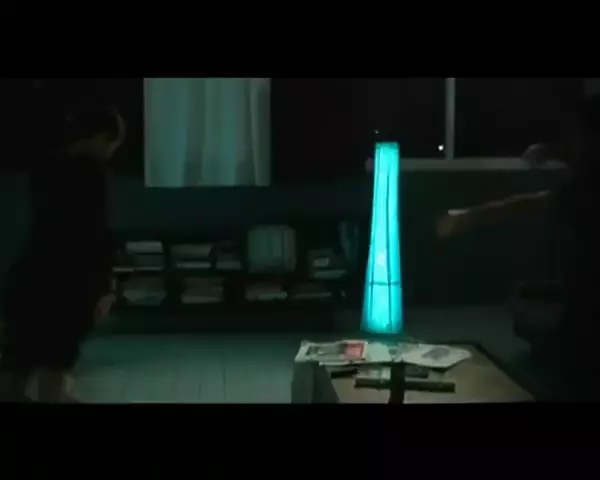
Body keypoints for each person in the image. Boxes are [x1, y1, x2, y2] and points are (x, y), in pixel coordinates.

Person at [436, 94, 600, 398]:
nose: (573, 144)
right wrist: (553, 151)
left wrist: (470, 217)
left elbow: (530, 204)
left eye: (577, 137)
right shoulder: (585, 178)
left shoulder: (586, 188)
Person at [0, 104, 126, 402]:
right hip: (68, 281)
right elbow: (94, 233)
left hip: (28, 273)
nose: (111, 152)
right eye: (112, 144)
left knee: (18, 361)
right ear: (99, 137)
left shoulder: (46, 167)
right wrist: (105, 286)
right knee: (55, 363)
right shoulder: (92, 172)